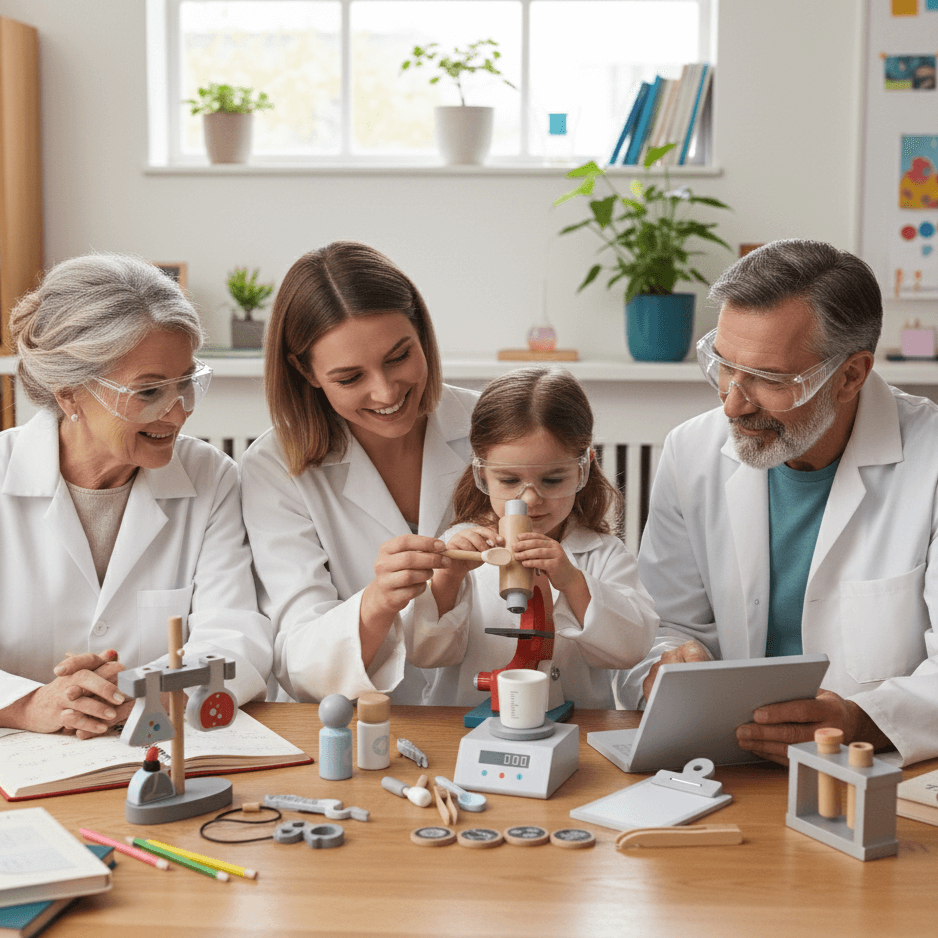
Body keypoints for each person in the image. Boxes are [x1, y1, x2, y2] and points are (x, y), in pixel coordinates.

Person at [619, 239, 938, 766]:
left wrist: (865, 719)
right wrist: (666, 664)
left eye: (768, 379)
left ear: (851, 375)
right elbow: (661, 627)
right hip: (722, 765)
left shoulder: (929, 463)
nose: (732, 403)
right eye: (723, 364)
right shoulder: (690, 452)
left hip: (872, 770)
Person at [0, 254, 272, 737]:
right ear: (68, 394)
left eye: (186, 383)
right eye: (148, 393)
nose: (177, 413)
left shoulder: (210, 478)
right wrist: (25, 706)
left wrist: (155, 693)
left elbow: (235, 635)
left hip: (155, 748)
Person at [240, 241, 478, 703]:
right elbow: (297, 662)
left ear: (421, 333)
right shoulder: (274, 467)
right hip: (349, 728)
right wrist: (377, 604)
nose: (386, 391)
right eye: (350, 379)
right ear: (306, 372)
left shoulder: (487, 427)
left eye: (399, 357)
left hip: (481, 710)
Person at [403, 367, 658, 708]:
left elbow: (631, 649)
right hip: (461, 728)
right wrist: (448, 579)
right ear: (482, 473)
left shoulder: (603, 555)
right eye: (508, 481)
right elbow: (423, 653)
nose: (530, 500)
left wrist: (572, 580)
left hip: (575, 729)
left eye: (552, 480)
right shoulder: (459, 546)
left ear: (583, 469)